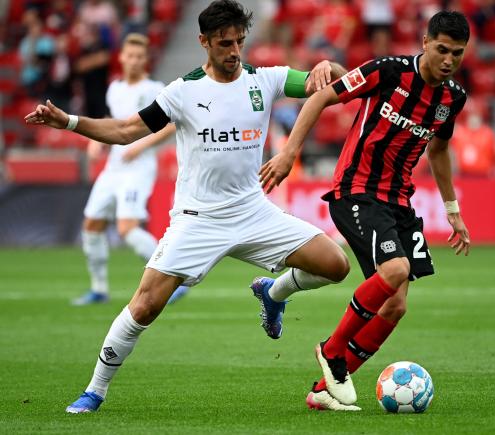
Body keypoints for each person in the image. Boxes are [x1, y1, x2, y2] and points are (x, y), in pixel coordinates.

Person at [26, 0, 350, 414]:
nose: (234, 51)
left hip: (253, 211)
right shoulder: (183, 91)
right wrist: (69, 122)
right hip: (198, 220)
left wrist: (331, 68)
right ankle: (95, 390)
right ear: (203, 42)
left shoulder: (267, 79)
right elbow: (126, 130)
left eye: (239, 42)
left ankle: (274, 291)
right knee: (144, 305)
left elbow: (341, 87)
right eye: (223, 43)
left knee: (335, 264)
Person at [259, 10, 472, 409]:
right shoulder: (388, 71)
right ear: (425, 42)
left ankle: (324, 392)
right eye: (442, 49)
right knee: (396, 270)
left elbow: (439, 149)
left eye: (457, 54)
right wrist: (288, 153)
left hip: (399, 202)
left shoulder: (451, 99)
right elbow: (323, 95)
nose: (448, 60)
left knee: (396, 303)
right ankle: (331, 351)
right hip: (356, 191)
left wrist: (452, 208)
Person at [72, 33, 184, 306]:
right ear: (121, 57)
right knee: (92, 224)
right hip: (113, 168)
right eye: (129, 56)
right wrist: (98, 143)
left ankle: (173, 278)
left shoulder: (154, 88)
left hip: (138, 168)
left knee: (127, 228)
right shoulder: (115, 89)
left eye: (139, 57)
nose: (133, 61)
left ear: (145, 60)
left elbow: (170, 124)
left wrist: (141, 146)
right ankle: (99, 289)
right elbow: (114, 122)